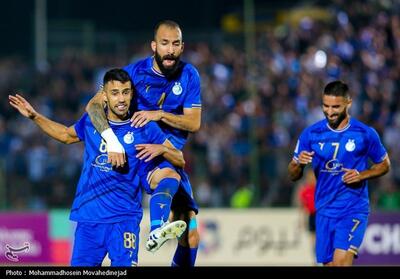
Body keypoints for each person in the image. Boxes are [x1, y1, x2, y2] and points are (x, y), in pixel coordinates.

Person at [8, 68, 187, 266]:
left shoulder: (143, 126)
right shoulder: (92, 122)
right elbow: (66, 135)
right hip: (89, 219)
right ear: (105, 96)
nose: (121, 99)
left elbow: (178, 158)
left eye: (126, 92)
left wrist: (161, 148)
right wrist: (35, 116)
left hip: (124, 219)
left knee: (171, 174)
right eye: (115, 93)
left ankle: (158, 225)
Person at [86, 20, 201, 266]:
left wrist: (158, 114)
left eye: (176, 44)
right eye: (164, 43)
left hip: (168, 153)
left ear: (182, 47)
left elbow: (193, 123)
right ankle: (157, 225)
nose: (170, 49)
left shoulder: (190, 75)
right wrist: (111, 142)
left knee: (190, 230)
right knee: (168, 178)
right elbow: (94, 105)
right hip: (138, 154)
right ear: (153, 46)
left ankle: (158, 227)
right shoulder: (134, 74)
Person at [287, 80, 390, 266]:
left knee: (341, 263)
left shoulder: (365, 134)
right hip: (324, 209)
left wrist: (362, 174)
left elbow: (384, 165)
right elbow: (293, 175)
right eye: (325, 106)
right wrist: (298, 163)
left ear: (348, 103)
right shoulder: (310, 134)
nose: (330, 111)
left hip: (353, 207)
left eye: (336, 106)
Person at [296, 169, 316, 263]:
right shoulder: (305, 191)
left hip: (321, 215)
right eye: (309, 177)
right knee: (312, 240)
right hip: (312, 216)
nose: (311, 179)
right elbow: (302, 207)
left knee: (322, 239)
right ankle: (315, 259)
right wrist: (301, 220)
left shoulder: (320, 189)